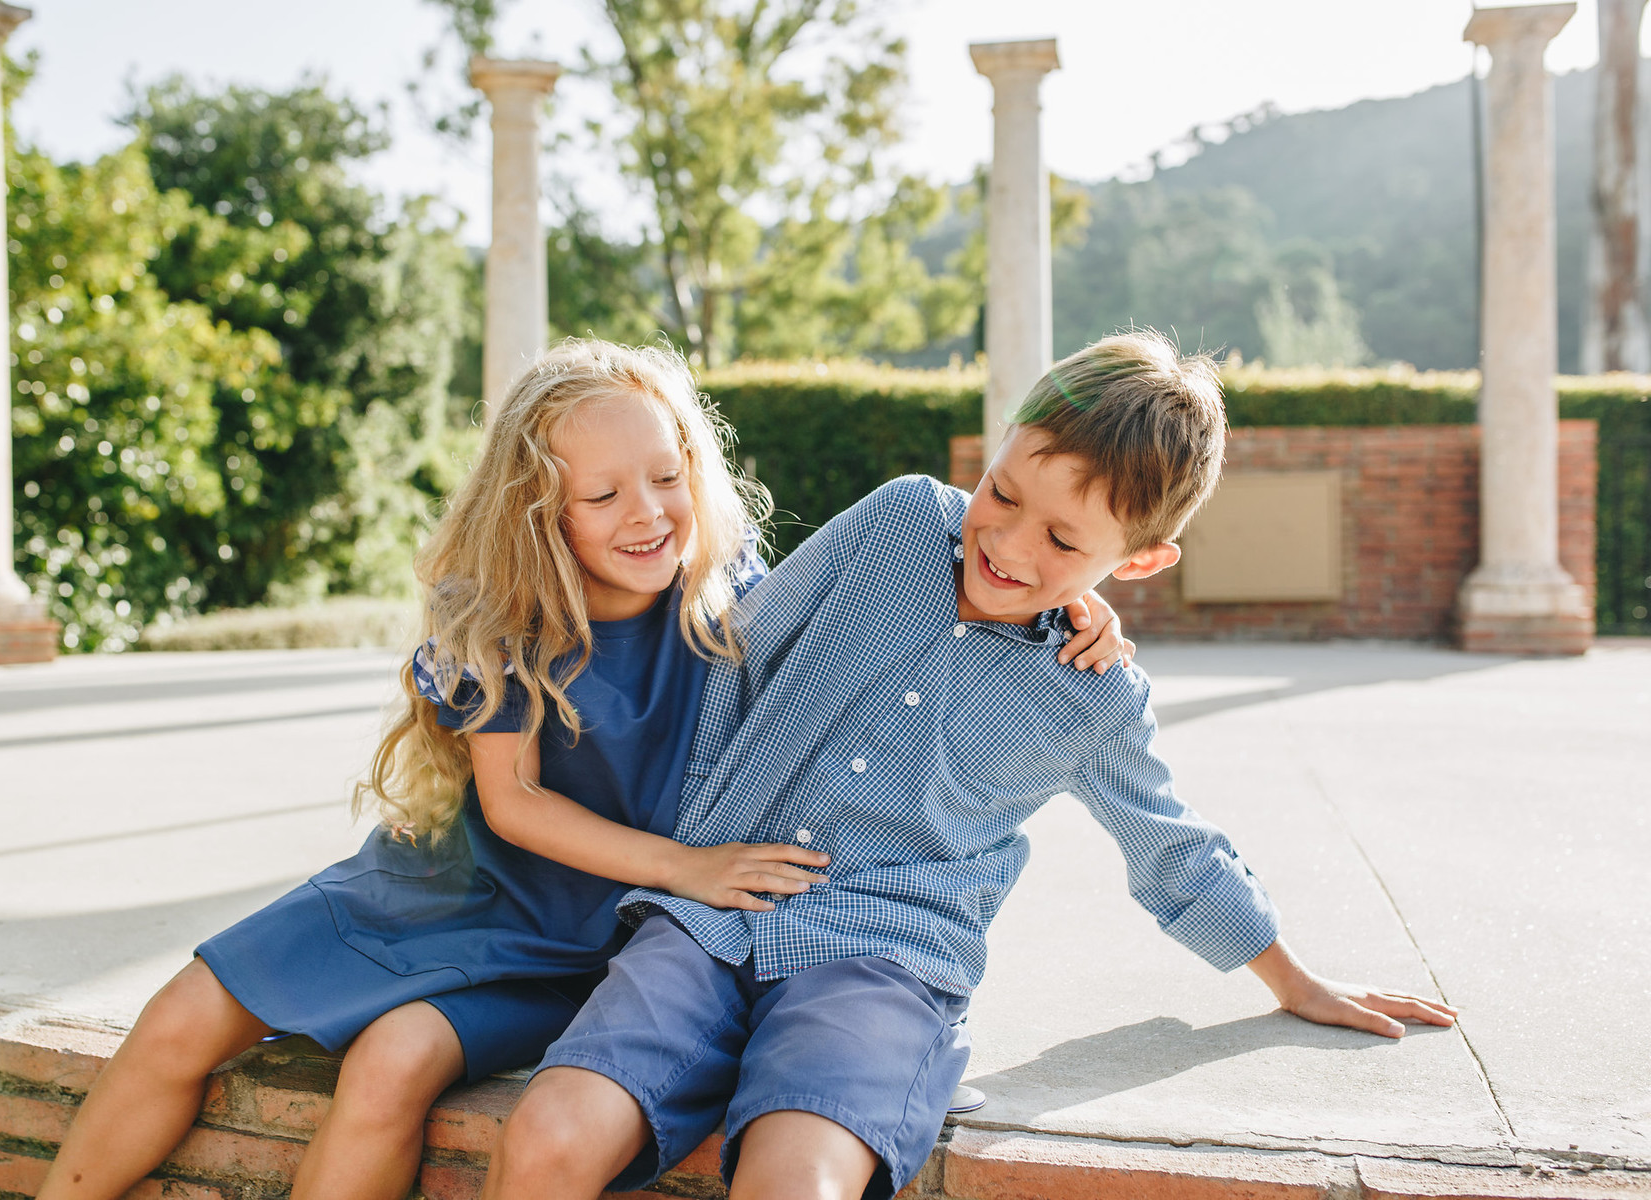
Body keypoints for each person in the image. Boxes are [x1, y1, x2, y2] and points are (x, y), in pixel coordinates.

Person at [35, 340, 1132, 1200]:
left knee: (390, 1062)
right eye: (601, 496)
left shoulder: (732, 596)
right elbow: (511, 807)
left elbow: (928, 580)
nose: (647, 514)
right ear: (535, 509)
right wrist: (691, 867)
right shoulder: (505, 622)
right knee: (181, 1015)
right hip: (447, 887)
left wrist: (1075, 599)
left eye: (665, 478)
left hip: (586, 936)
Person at [478, 331, 1462, 1200]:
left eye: (1065, 539)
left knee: (798, 1180)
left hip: (887, 957)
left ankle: (884, 1065)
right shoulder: (900, 522)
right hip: (706, 918)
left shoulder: (1097, 695)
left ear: (1141, 560)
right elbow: (732, 643)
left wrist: (1292, 980)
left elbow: (1173, 850)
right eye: (1004, 491)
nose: (1006, 539)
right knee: (551, 1135)